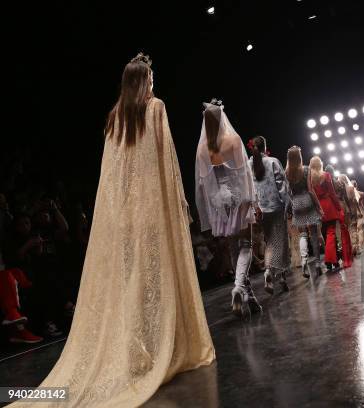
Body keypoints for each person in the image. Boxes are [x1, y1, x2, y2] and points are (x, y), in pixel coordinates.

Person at [10, 53, 216, 408]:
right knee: (154, 280)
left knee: (133, 281)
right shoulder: (155, 109)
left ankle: (137, 351)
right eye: (150, 78)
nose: (154, 84)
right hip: (152, 211)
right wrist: (178, 205)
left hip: (125, 217)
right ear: (144, 81)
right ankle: (155, 349)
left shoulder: (114, 118)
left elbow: (112, 177)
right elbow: (165, 161)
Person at [195, 99, 262, 319]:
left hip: (219, 202)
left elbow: (204, 182)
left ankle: (249, 298)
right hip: (238, 198)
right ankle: (239, 288)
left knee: (234, 249)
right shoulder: (233, 140)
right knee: (246, 246)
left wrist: (214, 203)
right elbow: (245, 175)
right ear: (222, 117)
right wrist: (253, 200)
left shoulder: (203, 148)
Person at [248, 136, 291, 294]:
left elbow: (249, 189)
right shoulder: (272, 161)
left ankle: (272, 273)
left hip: (260, 209)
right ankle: (277, 276)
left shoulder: (248, 164)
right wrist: (287, 205)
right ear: (265, 147)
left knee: (270, 243)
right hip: (276, 208)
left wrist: (254, 206)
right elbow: (282, 186)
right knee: (280, 243)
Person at [285, 146, 323, 279]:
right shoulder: (306, 169)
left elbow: (288, 193)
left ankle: (304, 261)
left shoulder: (287, 172)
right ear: (299, 157)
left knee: (302, 235)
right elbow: (311, 190)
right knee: (313, 234)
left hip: (296, 202)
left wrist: (292, 204)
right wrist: (318, 206)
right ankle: (318, 264)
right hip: (307, 200)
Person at [310, 157, 343, 271]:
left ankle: (331, 261)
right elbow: (332, 193)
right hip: (328, 205)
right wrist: (338, 207)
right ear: (320, 164)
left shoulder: (310, 178)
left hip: (318, 207)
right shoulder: (326, 175)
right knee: (331, 233)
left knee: (325, 233)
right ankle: (331, 260)